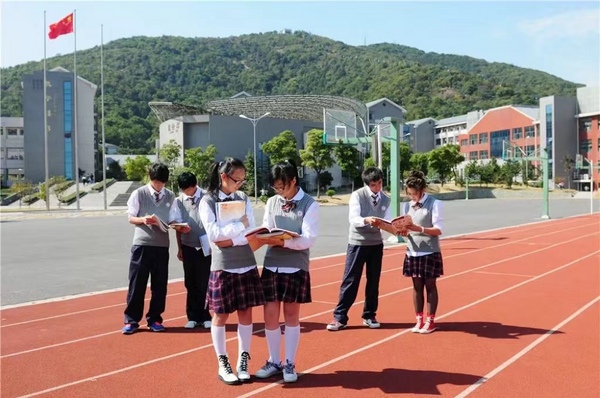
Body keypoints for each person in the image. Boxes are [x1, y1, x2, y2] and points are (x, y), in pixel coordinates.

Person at [198, 157, 265, 385]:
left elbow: (251, 229)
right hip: (223, 264)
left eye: (243, 180)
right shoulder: (207, 201)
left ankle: (242, 360)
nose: (240, 184)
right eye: (237, 180)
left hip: (245, 260)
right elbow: (214, 235)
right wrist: (238, 228)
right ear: (223, 177)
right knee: (221, 314)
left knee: (246, 312)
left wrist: (231, 238)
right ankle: (223, 362)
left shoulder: (243, 198)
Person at [254, 160, 319, 383]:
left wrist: (283, 242)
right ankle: (274, 360)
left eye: (283, 186)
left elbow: (308, 239)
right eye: (276, 187)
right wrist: (265, 237)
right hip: (272, 264)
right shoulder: (272, 202)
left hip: (295, 265)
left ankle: (289, 362)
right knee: (270, 315)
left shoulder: (310, 204)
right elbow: (265, 227)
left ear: (294, 181)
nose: (279, 191)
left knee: (291, 315)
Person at [327, 167, 390, 331]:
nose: (377, 187)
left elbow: (388, 221)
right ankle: (340, 317)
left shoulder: (386, 199)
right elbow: (353, 218)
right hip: (357, 243)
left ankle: (369, 315)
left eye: (380, 183)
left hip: (376, 244)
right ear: (367, 184)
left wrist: (398, 228)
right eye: (374, 185)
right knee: (350, 280)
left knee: (373, 281)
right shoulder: (357, 195)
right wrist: (366, 220)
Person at [122, 163, 175, 334]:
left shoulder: (171, 196)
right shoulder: (139, 193)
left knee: (160, 285)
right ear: (150, 178)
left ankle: (155, 318)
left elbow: (173, 219)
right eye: (156, 182)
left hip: (161, 245)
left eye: (162, 183)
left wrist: (175, 225)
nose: (159, 186)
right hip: (142, 244)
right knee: (137, 283)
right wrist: (143, 220)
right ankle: (131, 320)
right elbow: (131, 217)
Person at [397, 170, 444, 334]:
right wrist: (402, 231)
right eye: (409, 194)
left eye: (414, 194)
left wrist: (419, 228)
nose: (412, 197)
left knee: (430, 286)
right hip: (412, 251)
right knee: (416, 287)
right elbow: (406, 227)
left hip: (429, 251)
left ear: (423, 190)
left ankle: (431, 321)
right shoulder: (406, 205)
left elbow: (439, 230)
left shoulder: (434, 204)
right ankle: (419, 320)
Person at [168, 171, 212, 330]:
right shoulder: (179, 201)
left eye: (190, 189)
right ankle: (192, 316)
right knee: (190, 282)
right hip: (188, 245)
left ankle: (206, 315)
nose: (188, 192)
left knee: (205, 281)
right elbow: (176, 224)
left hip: (206, 246)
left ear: (196, 184)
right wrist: (180, 248)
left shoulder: (207, 197)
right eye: (184, 190)